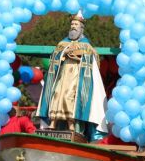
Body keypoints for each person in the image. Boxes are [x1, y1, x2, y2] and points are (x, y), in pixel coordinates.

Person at [36, 11, 107, 140]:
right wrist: (63, 53)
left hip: (76, 78)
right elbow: (54, 57)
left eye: (76, 24)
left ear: (81, 28)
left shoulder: (87, 45)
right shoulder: (62, 43)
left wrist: (81, 56)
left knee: (71, 98)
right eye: (72, 24)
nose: (73, 26)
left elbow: (95, 60)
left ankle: (73, 126)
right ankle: (52, 123)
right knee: (57, 95)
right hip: (62, 75)